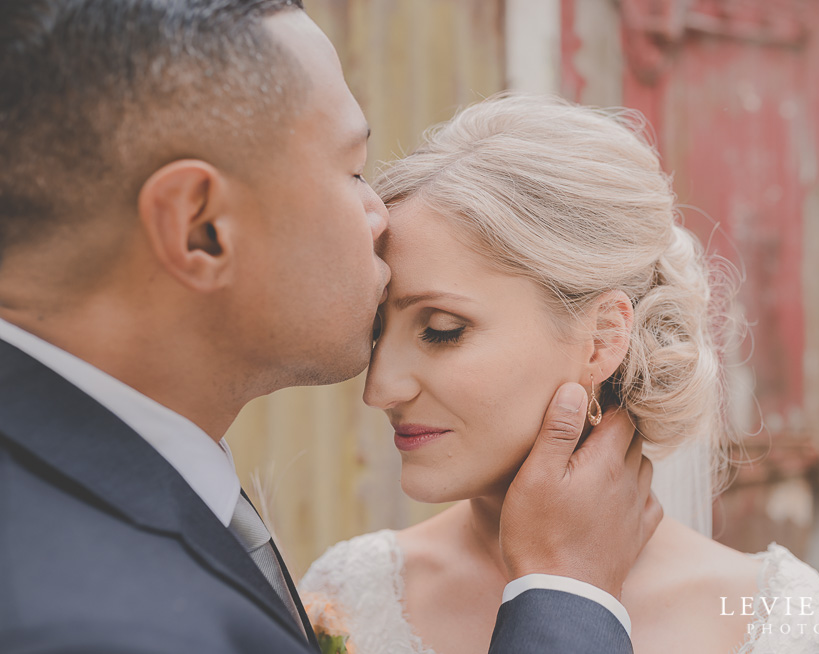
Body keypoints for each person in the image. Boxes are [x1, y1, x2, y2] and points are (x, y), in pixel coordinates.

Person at [0, 3, 662, 653]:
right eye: (350, 172)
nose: (380, 215)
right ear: (200, 226)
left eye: (441, 328)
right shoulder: (83, 623)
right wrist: (568, 598)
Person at [300, 94, 819, 654]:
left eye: (443, 329)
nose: (380, 390)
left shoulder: (775, 622)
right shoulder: (347, 597)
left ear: (601, 340)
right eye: (377, 329)